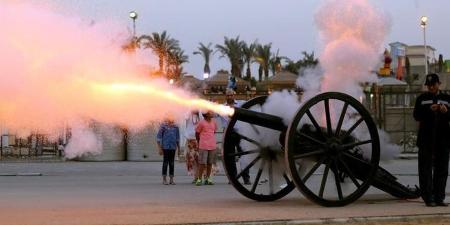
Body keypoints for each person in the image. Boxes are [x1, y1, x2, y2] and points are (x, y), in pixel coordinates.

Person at [413, 73, 450, 207]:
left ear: (438, 84)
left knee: (442, 169)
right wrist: (429, 110)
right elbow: (416, 116)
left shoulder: (447, 98)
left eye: (433, 85)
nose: (431, 88)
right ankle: (428, 198)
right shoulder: (421, 99)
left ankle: (439, 197)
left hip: (443, 139)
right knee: (425, 170)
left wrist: (446, 111)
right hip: (426, 140)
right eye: (428, 86)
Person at [220, 89, 251, 185]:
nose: (229, 97)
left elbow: (251, 106)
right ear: (225, 96)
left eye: (231, 95)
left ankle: (246, 178)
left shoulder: (241, 104)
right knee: (230, 157)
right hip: (228, 134)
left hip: (240, 132)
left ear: (234, 95)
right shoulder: (221, 107)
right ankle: (233, 178)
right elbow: (210, 114)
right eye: (228, 95)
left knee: (243, 155)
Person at [194, 110, 218, 186]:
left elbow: (214, 131)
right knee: (202, 163)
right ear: (206, 114)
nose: (212, 113)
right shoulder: (201, 123)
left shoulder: (214, 122)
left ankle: (208, 179)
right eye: (210, 112)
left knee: (210, 163)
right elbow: (197, 133)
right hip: (203, 145)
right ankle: (199, 179)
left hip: (212, 145)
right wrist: (199, 141)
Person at [156, 117, 180, 185]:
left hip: (173, 147)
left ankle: (171, 179)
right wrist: (159, 148)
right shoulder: (163, 126)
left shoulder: (176, 127)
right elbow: (158, 138)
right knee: (165, 162)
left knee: (172, 163)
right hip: (165, 147)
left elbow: (177, 138)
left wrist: (179, 149)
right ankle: (164, 179)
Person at [184, 110, 202, 181]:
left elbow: (203, 119)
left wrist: (198, 113)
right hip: (190, 140)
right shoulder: (189, 114)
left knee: (198, 160)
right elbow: (185, 117)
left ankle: (198, 177)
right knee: (191, 159)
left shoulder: (200, 115)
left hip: (198, 140)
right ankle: (195, 176)